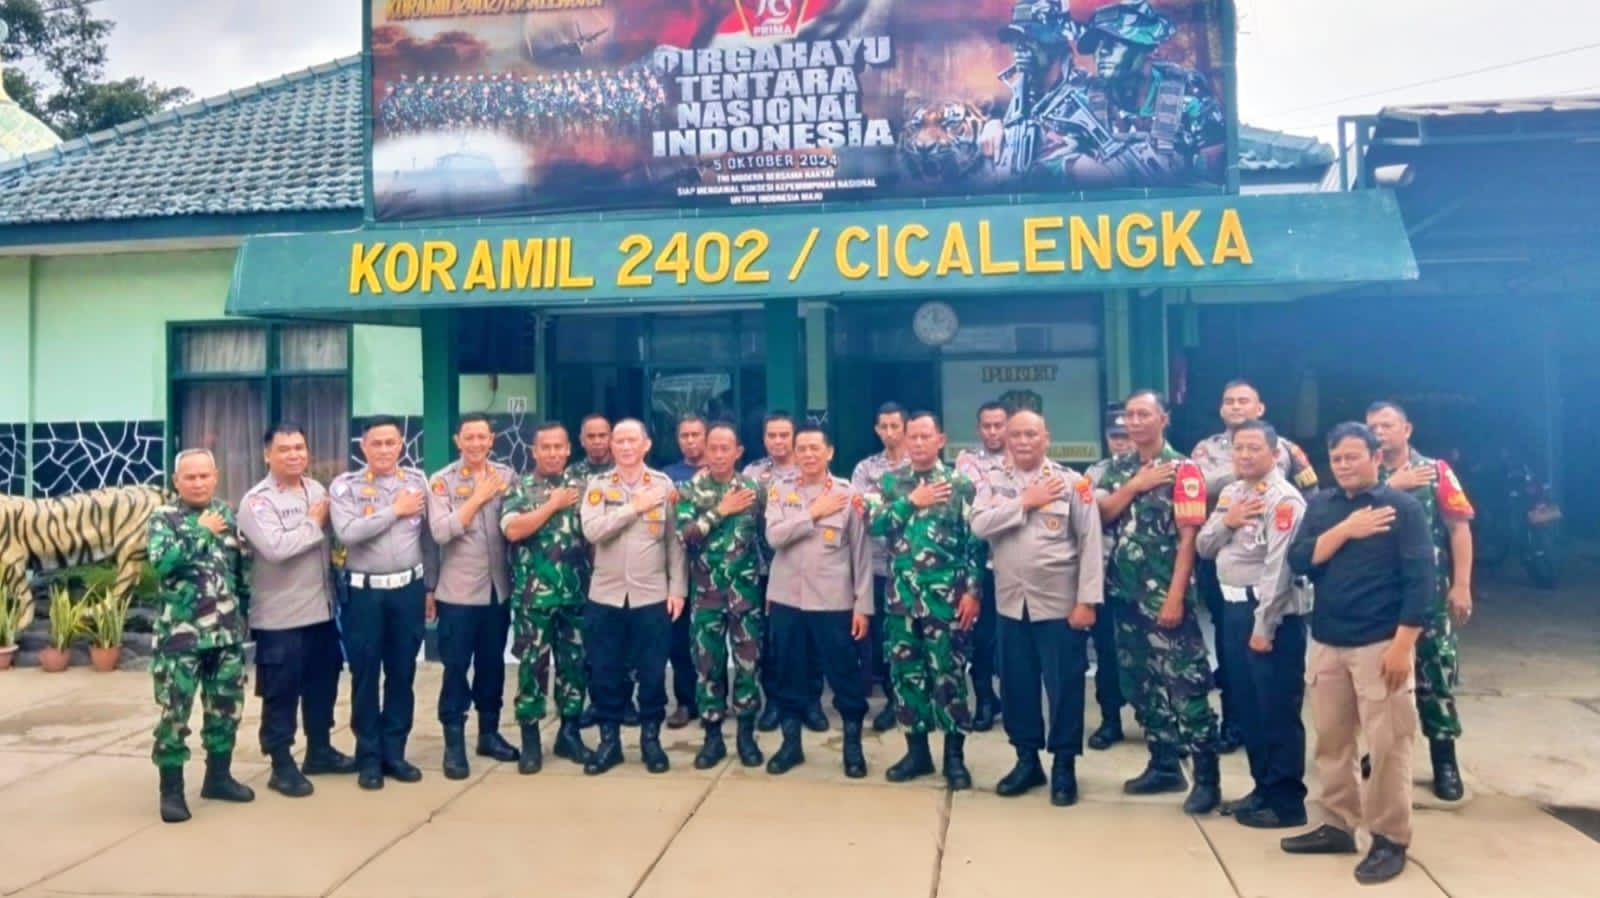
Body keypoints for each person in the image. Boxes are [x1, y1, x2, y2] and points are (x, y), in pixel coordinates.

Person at [1284, 422, 1433, 885]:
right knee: (1332, 740)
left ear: (1375, 457)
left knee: (1388, 745)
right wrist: (1346, 530)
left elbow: (1421, 581)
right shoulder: (1322, 505)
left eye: (1353, 456)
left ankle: (1389, 838)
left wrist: (1403, 645)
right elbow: (1299, 559)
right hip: (1328, 641)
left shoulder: (1402, 508)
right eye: (1337, 458)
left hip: (1380, 644)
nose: (1344, 465)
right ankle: (1337, 823)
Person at [1095, 390, 1221, 814]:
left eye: (1143, 414)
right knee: (1139, 682)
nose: (1134, 422)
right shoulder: (1117, 468)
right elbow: (1101, 515)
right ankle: (1163, 762)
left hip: (1165, 596)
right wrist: (1134, 486)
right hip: (1124, 594)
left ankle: (1206, 777)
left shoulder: (1184, 470)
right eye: (1129, 415)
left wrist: (1175, 597)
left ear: (1163, 418)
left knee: (1185, 683)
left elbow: (1189, 539)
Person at [970, 410, 1102, 806]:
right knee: (1017, 686)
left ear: (1046, 438)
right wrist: (1025, 503)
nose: (1023, 441)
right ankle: (1026, 760)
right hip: (1011, 603)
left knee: (1065, 687)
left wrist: (1087, 602)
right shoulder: (993, 482)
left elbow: (1090, 543)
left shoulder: (1072, 483)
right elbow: (979, 525)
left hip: (1059, 605)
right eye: (1016, 435)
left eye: (1031, 434)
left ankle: (1064, 765)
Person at [1191, 380, 1319, 755]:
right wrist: (1231, 508)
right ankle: (1236, 725)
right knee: (1236, 668)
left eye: (1243, 401)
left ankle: (1277, 772)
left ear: (1260, 407)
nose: (1236, 407)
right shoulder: (1208, 453)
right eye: (1229, 401)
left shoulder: (1287, 457)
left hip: (1269, 576)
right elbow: (1197, 491)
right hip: (1226, 570)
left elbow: (1311, 495)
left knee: (1274, 693)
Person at [1196, 419, 1310, 828]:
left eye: (1253, 448)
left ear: (1275, 453)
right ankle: (1262, 788)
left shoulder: (1284, 500)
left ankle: (1287, 802)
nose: (1243, 456)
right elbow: (1204, 546)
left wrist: (1264, 628)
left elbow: (1279, 569)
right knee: (1248, 706)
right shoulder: (1232, 494)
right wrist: (1227, 521)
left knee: (1276, 709)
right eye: (1238, 448)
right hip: (1233, 611)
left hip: (1270, 616)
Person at [236, 423, 355, 798]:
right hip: (280, 617)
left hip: (321, 610)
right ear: (267, 455)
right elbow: (276, 548)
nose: (294, 455)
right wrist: (313, 522)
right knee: (281, 692)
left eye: (299, 447)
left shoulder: (316, 489)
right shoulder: (257, 502)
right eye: (284, 449)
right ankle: (281, 762)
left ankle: (319, 750)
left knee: (324, 684)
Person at [1367, 401, 1475, 801]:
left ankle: (1444, 760)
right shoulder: (1365, 473)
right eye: (1372, 426)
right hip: (1379, 594)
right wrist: (1393, 486)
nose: (1379, 432)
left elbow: (1459, 529)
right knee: (1379, 678)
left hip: (1428, 592)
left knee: (1435, 672)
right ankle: (1381, 753)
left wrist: (1461, 585)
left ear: (1407, 429)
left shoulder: (1436, 471)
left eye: (1387, 425)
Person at [870, 411, 983, 789]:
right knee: (907, 676)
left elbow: (975, 544)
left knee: (948, 675)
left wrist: (973, 592)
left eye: (925, 436)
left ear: (940, 440)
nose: (917, 443)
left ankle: (954, 757)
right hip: (901, 600)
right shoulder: (890, 482)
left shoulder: (960, 485)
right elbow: (873, 523)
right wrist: (911, 502)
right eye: (912, 437)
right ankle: (917, 752)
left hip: (945, 600)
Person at [330, 416, 439, 790]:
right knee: (365, 675)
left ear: (401, 445)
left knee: (402, 672)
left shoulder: (417, 482)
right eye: (376, 443)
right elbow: (348, 533)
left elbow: (429, 540)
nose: (383, 450)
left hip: (407, 591)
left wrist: (430, 587)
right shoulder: (346, 487)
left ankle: (395, 751)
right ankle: (369, 756)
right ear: (363, 447)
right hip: (364, 594)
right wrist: (396, 510)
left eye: (390, 442)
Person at [146, 448, 255, 823]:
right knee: (175, 714)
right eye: (189, 477)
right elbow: (161, 563)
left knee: (226, 709)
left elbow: (239, 569)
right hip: (181, 639)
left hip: (224, 635)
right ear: (176, 481)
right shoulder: (164, 518)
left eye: (204, 476)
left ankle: (218, 778)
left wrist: (244, 612)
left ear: (215, 476)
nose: (197, 483)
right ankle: (171, 791)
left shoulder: (225, 513)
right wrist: (201, 530)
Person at [578, 419, 688, 775]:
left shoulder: (663, 485)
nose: (625, 447)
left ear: (646, 445)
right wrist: (634, 508)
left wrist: (677, 589)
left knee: (652, 672)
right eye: (619, 441)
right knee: (605, 672)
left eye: (632, 441)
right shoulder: (598, 486)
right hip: (606, 596)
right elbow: (593, 531)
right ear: (611, 446)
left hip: (651, 595)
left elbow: (674, 543)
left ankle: (650, 741)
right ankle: (609, 742)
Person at [763, 424, 873, 777]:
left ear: (830, 452)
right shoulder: (780, 491)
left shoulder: (848, 494)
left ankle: (852, 747)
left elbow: (861, 555)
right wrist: (812, 513)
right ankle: (790, 745)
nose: (808, 454)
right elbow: (774, 536)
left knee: (844, 675)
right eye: (802, 448)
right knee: (788, 673)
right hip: (787, 600)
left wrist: (862, 606)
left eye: (815, 448)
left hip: (833, 601)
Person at [426, 413, 520, 780]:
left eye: (483, 437)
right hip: (458, 594)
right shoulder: (442, 481)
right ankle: (454, 743)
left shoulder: (507, 477)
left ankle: (488, 733)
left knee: (492, 665)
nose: (477, 443)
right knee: (455, 669)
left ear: (492, 439)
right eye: (469, 437)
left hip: (498, 591)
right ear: (457, 440)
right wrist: (478, 498)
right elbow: (440, 532)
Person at [500, 421, 591, 773]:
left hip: (576, 595)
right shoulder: (520, 488)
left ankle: (569, 733)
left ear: (568, 449)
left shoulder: (583, 487)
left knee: (574, 666)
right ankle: (531, 739)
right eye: (546, 447)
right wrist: (552, 505)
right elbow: (512, 530)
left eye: (559, 447)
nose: (553, 453)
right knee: (532, 668)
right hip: (533, 599)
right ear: (534, 451)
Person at [675, 422, 766, 769]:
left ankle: (745, 735)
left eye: (725, 448)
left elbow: (766, 541)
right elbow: (684, 536)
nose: (717, 454)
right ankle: (712, 737)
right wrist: (720, 511)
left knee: (748, 664)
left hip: (745, 595)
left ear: (738, 452)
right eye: (712, 447)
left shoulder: (754, 490)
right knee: (707, 665)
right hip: (706, 595)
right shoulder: (689, 490)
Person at [850, 401, 911, 731]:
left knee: (909, 636)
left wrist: (885, 505)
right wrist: (903, 505)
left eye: (895, 426)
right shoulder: (865, 469)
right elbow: (863, 514)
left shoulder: (918, 465)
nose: (889, 432)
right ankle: (890, 699)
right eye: (883, 427)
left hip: (912, 568)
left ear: (905, 427)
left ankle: (910, 699)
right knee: (881, 638)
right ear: (876, 430)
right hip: (875, 566)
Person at [953, 400, 1009, 732]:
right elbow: (976, 504)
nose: (992, 432)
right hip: (980, 561)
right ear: (979, 428)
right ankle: (986, 699)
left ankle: (1013, 700)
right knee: (981, 636)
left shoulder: (1023, 459)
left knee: (1013, 638)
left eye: (998, 425)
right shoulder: (968, 461)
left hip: (1015, 562)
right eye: (986, 426)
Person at [1083, 408, 1132, 750]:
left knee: (1151, 656)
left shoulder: (1160, 469)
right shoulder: (1095, 473)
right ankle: (1110, 719)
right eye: (1115, 437)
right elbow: (1091, 517)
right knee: (1107, 652)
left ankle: (1159, 726)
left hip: (1147, 581)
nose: (1121, 443)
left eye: (1126, 436)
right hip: (1104, 576)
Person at [662, 414, 708, 729]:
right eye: (684, 435)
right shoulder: (668, 476)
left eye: (696, 434)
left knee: (713, 641)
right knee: (679, 642)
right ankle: (685, 702)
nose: (690, 440)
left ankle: (715, 700)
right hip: (677, 571)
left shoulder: (721, 472)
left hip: (715, 571)